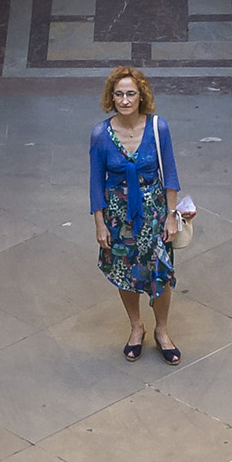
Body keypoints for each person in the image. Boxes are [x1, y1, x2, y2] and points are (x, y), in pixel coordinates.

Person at [89, 65, 185, 365]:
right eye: (119, 94)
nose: (125, 100)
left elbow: (169, 174)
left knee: (161, 272)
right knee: (125, 274)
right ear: (111, 98)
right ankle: (136, 327)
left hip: (154, 212)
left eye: (131, 93)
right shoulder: (101, 135)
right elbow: (95, 183)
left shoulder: (158, 128)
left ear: (141, 96)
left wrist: (171, 215)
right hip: (119, 216)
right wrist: (100, 224)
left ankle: (162, 330)